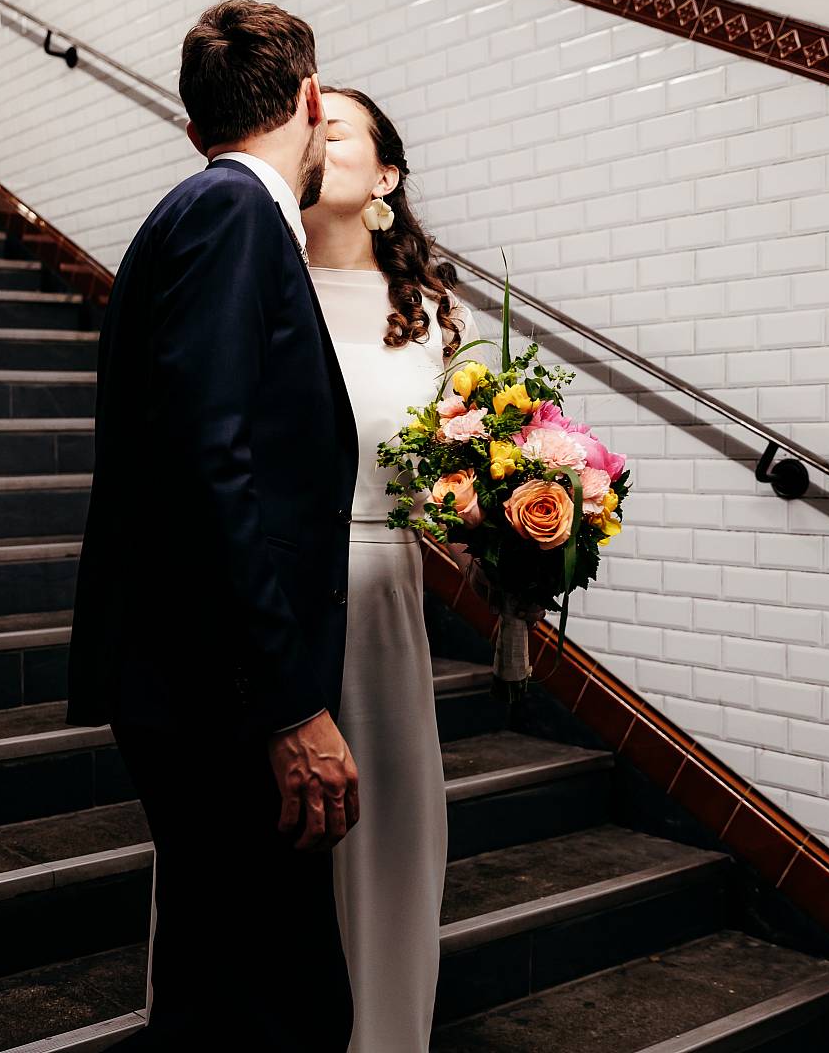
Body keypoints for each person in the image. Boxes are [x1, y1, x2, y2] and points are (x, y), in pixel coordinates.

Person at [65, 0, 360, 1049]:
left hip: (201, 684)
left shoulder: (208, 212)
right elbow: (208, 461)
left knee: (230, 988)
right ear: (313, 100)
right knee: (274, 1004)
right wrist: (287, 705)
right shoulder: (233, 215)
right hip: (222, 696)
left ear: (194, 123)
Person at [302, 83, 501, 1052]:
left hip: (383, 599)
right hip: (265, 600)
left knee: (388, 852)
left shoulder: (429, 313)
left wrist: (515, 532)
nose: (313, 136)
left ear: (385, 174)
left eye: (334, 126)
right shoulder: (257, 282)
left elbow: (456, 481)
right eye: (307, 123)